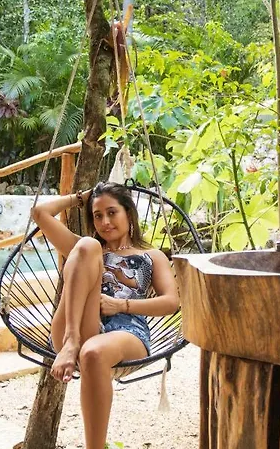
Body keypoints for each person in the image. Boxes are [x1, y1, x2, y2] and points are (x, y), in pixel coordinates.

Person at [31, 182, 179, 449]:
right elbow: (40, 213)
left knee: (93, 353)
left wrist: (121, 305)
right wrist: (81, 198)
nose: (105, 222)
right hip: (76, 327)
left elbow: (171, 302)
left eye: (112, 212)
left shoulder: (151, 256)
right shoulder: (86, 250)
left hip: (126, 332)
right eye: (97, 215)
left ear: (128, 213)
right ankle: (71, 340)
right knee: (86, 246)